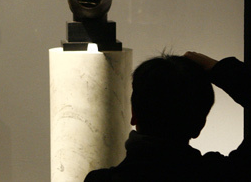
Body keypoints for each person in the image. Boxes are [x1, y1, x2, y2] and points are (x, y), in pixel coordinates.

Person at [85, 52, 251, 181]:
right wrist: (220, 69)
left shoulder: (99, 180)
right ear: (199, 125)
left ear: (134, 115)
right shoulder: (222, 176)